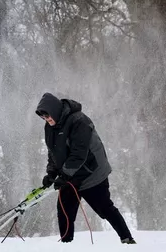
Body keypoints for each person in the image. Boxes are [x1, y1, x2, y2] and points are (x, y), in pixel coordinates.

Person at [35, 92, 136, 244]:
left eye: (49, 117)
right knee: (64, 211)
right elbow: (53, 152)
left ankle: (128, 240)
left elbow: (79, 153)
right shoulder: (50, 127)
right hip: (71, 174)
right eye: (44, 118)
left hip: (91, 172)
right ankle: (66, 244)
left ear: (55, 111)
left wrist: (63, 176)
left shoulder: (79, 121)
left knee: (105, 208)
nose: (47, 121)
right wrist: (51, 173)